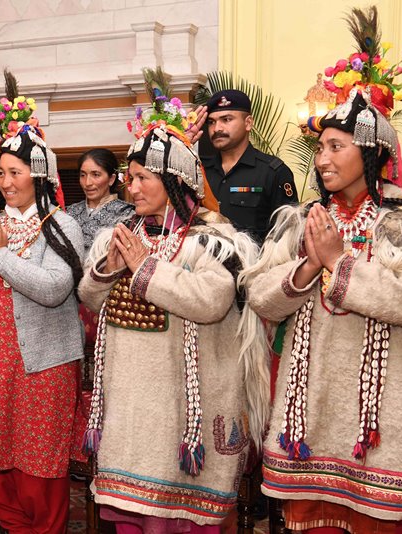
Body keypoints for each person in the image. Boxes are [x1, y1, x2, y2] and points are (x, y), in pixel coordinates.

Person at [242, 62, 402, 534]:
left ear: (372, 152)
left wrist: (339, 261)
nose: (323, 160)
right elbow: (261, 299)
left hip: (381, 425)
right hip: (310, 421)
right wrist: (309, 266)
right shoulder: (300, 222)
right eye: (320, 149)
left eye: (337, 147)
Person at [77, 86, 266, 533]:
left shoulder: (215, 241)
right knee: (131, 517)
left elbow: (211, 301)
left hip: (183, 413)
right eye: (131, 176)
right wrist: (110, 268)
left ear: (176, 180)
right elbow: (88, 295)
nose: (133, 186)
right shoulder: (117, 236)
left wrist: (144, 268)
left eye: (144, 177)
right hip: (129, 411)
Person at [0, 86, 86, 534]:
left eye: (15, 172)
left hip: (44, 366)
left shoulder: (61, 224)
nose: (6, 182)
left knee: (38, 466)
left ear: (39, 174)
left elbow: (53, 289)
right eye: (2, 173)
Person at [201, 89, 297, 243]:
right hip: (203, 263)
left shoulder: (273, 172)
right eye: (211, 122)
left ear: (248, 123)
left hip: (256, 265)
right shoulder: (200, 170)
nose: (217, 128)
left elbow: (287, 235)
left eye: (226, 119)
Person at [66, 148, 134, 251]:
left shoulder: (127, 214)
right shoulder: (69, 212)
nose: (87, 183)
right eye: (83, 175)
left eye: (96, 175)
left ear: (111, 179)